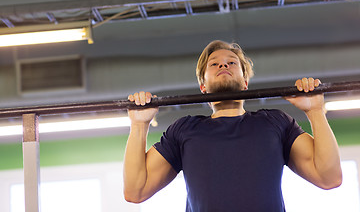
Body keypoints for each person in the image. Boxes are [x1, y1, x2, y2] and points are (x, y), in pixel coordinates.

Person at [123, 40, 342, 212]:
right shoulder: (184, 130)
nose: (223, 64)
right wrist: (139, 125)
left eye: (231, 62)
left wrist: (315, 111)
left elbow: (329, 177)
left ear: (245, 82)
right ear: (203, 86)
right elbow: (135, 190)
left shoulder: (275, 122)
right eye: (214, 64)